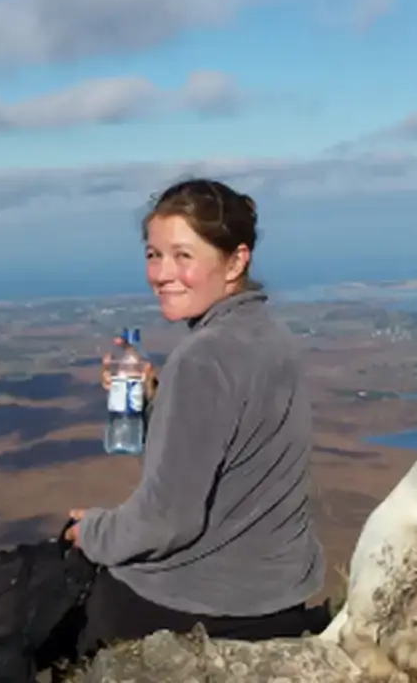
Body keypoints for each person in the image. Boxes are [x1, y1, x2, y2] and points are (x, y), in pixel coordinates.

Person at [64, 177, 329, 655]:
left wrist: (91, 532)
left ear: (236, 261)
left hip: (209, 605)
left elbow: (166, 521)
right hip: (280, 594)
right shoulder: (270, 336)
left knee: (39, 613)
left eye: (183, 256)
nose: (162, 273)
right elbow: (229, 456)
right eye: (153, 254)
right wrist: (156, 400)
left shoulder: (203, 358)